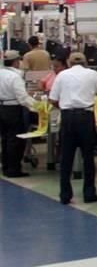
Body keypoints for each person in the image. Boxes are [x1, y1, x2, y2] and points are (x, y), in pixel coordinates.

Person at [49, 52, 97, 205]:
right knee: (88, 157)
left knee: (66, 157)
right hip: (85, 117)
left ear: (69, 63)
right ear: (86, 62)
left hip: (67, 117)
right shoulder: (92, 74)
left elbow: (52, 99)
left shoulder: (62, 75)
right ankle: (89, 193)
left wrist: (64, 106)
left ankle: (65, 194)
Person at [0, 49, 37, 178]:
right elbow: (22, 98)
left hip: (2, 108)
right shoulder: (15, 77)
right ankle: (14, 169)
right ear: (16, 62)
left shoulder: (1, 73)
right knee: (15, 140)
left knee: (5, 139)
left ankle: (5, 166)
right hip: (14, 110)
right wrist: (37, 106)